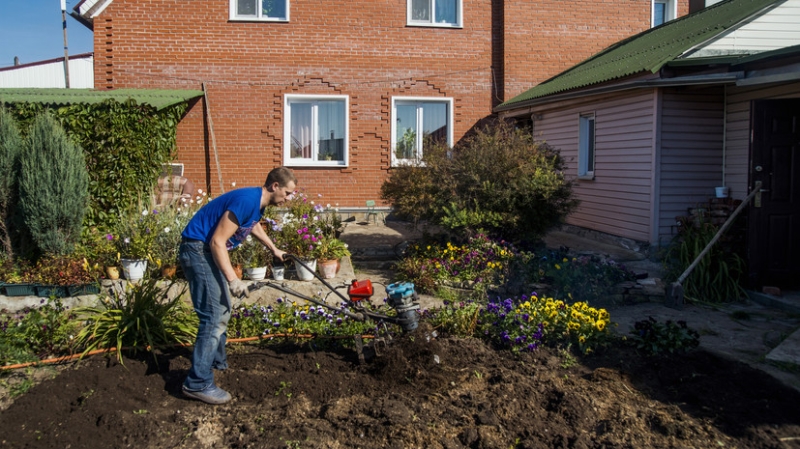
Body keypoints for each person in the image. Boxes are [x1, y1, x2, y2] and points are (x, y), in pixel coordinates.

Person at [179, 167, 296, 404]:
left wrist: (274, 249)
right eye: (288, 192)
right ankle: (197, 383)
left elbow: (252, 224)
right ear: (275, 186)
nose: (290, 198)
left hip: (204, 249)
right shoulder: (246, 200)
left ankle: (215, 361)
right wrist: (233, 280)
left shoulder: (257, 203)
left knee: (221, 310)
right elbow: (217, 241)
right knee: (213, 314)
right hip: (198, 249)